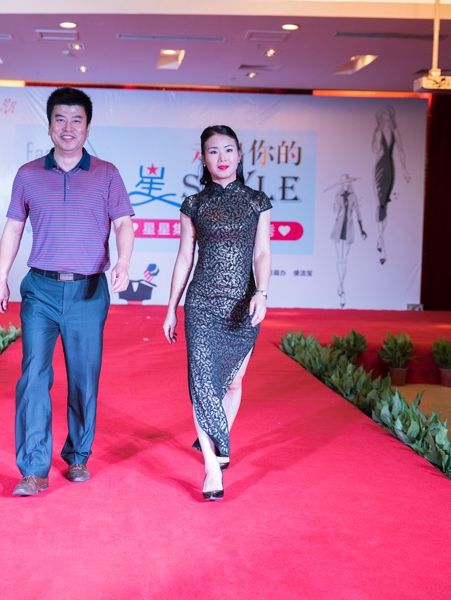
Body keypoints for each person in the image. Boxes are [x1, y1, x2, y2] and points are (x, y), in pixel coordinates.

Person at [0, 86, 135, 496]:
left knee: (83, 377)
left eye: (76, 120)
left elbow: (124, 223)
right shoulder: (28, 174)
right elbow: (14, 228)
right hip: (40, 290)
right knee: (33, 377)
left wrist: (123, 262)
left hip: (88, 292)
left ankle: (77, 456)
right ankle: (33, 469)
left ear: (87, 127)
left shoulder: (107, 173)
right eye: (60, 119)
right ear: (49, 125)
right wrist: (1, 278)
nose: (68, 127)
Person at [163, 125, 272, 501]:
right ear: (203, 158)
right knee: (203, 384)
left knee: (234, 382)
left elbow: (262, 253)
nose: (221, 157)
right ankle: (212, 467)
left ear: (240, 155)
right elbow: (183, 258)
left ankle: (219, 438)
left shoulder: (257, 201)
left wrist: (262, 292)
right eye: (213, 151)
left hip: (242, 304)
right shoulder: (193, 204)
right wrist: (171, 308)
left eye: (228, 150)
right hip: (201, 304)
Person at [371, 105, 410, 265]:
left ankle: (380, 240)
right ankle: (382, 246)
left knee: (384, 206)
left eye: (388, 118)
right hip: (379, 170)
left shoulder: (395, 132)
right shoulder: (378, 133)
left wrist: (405, 169)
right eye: (383, 118)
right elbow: (375, 153)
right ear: (380, 119)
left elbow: (401, 150)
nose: (386, 121)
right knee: (380, 205)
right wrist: (377, 136)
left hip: (390, 170)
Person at [328, 174, 367, 308]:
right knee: (340, 259)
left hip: (349, 228)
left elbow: (358, 213)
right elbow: (336, 213)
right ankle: (341, 288)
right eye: (343, 183)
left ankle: (341, 286)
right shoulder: (337, 197)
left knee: (344, 259)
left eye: (347, 182)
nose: (345, 185)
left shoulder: (353, 196)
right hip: (338, 228)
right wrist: (335, 208)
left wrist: (362, 229)